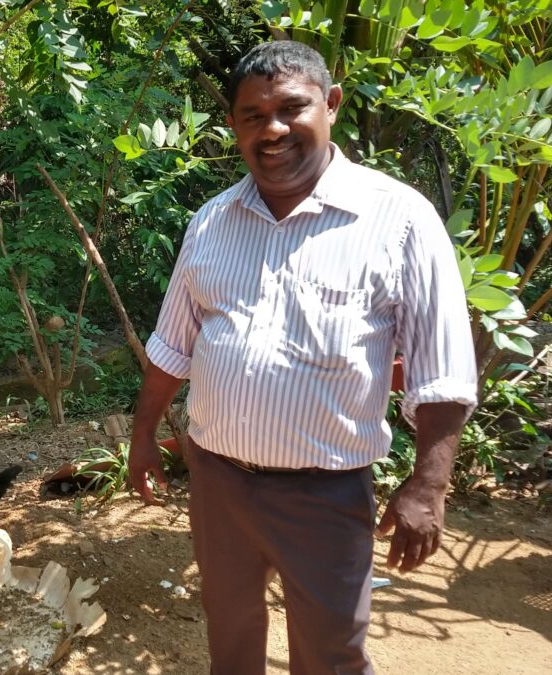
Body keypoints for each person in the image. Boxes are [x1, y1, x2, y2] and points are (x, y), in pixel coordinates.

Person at [128, 41, 477, 674]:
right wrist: (143, 433)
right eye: (253, 115)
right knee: (229, 636)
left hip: (326, 494)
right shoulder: (211, 221)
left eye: (292, 108)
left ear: (332, 105)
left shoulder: (398, 220)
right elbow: (172, 345)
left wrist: (428, 486)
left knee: (329, 654)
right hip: (217, 482)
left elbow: (442, 368)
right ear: (233, 125)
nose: (274, 129)